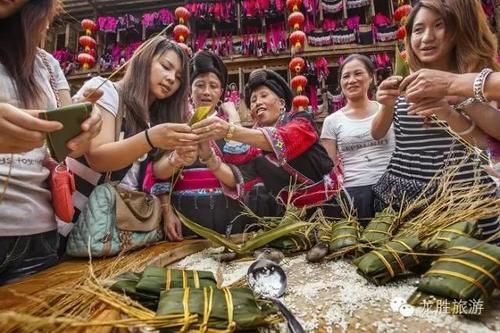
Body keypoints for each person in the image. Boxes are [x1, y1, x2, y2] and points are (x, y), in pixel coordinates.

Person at [371, 0, 500, 243]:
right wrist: (386, 104)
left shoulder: (473, 79)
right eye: (418, 30)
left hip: (460, 196)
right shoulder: (403, 81)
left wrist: (450, 109)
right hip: (403, 193)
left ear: (455, 31)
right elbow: (378, 132)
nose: (427, 37)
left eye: (439, 26)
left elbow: (486, 143)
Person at [0, 0, 103, 284]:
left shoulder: (46, 63)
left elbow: (67, 146)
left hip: (35, 231)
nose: (45, 27)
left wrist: (85, 125)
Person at [68, 37, 199, 226]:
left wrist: (176, 158)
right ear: (144, 60)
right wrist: (150, 138)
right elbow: (97, 157)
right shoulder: (106, 92)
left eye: (178, 77)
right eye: (166, 66)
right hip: (75, 218)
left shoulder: (152, 119)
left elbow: (154, 171)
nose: (171, 78)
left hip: (115, 225)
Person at [191, 69, 339, 215]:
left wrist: (230, 129)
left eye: (264, 95)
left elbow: (285, 141)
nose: (258, 102)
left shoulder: (301, 121)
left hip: (332, 206)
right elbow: (238, 178)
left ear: (281, 103)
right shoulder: (255, 149)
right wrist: (210, 159)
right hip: (292, 216)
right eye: (253, 100)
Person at [145, 51, 247, 241]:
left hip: (227, 216)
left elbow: (239, 178)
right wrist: (167, 213)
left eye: (213, 86)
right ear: (189, 90)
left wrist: (234, 120)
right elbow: (156, 173)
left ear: (221, 92)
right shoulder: (175, 124)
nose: (206, 92)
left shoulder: (230, 128)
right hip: (184, 217)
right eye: (199, 85)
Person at [321, 54, 394, 226]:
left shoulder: (389, 109)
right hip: (353, 194)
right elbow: (328, 168)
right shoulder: (331, 121)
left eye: (358, 74)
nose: (351, 80)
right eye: (346, 76)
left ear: (371, 77)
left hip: (391, 189)